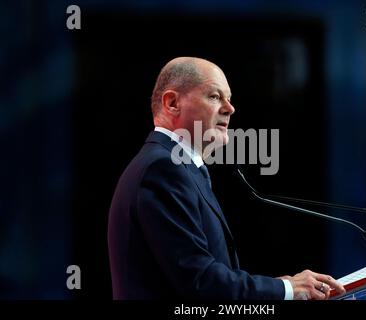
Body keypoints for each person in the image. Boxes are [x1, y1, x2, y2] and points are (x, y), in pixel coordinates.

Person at [107, 57, 345, 299]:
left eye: (229, 99)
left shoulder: (178, 166)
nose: (229, 108)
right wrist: (287, 290)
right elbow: (200, 281)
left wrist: (277, 286)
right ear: (172, 103)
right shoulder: (163, 168)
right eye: (214, 96)